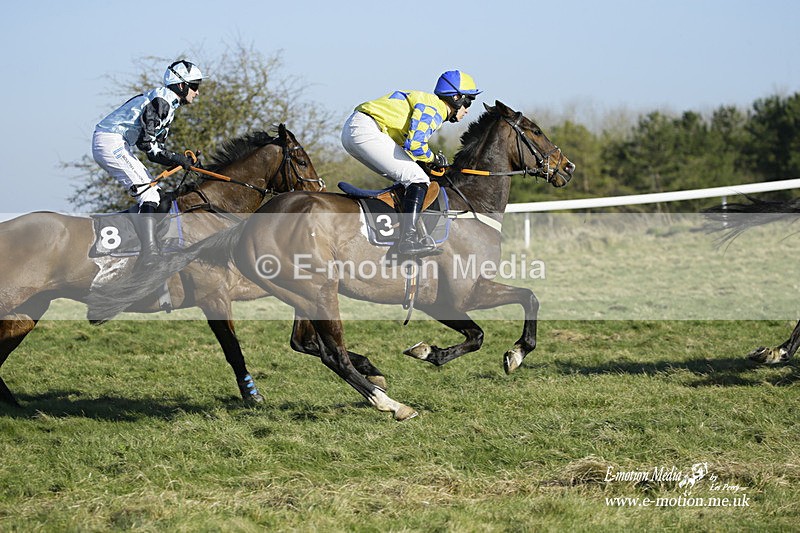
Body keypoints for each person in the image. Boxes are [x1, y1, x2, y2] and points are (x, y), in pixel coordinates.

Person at [341, 70, 481, 256]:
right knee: (418, 179)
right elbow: (415, 145)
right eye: (468, 101)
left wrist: (426, 161)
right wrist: (433, 159)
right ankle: (407, 239)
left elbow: (409, 148)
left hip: (356, 130)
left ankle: (397, 228)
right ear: (456, 97)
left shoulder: (428, 103)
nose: (468, 109)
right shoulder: (435, 107)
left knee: (410, 176)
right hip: (365, 130)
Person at [92, 60, 204, 268]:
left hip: (116, 141)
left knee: (158, 196)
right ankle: (148, 255)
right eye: (195, 86)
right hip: (110, 141)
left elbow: (156, 149)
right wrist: (178, 159)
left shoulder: (168, 102)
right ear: (181, 85)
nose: (197, 93)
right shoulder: (162, 100)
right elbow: (148, 145)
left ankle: (134, 242)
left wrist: (182, 160)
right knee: (149, 194)